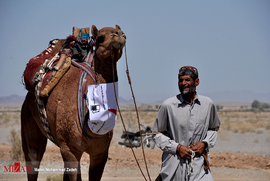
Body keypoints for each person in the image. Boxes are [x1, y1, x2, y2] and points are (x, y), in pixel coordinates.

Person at [152, 66, 220, 181]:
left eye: (187, 80)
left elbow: (213, 129)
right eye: (180, 80)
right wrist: (177, 147)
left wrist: (204, 143)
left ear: (197, 82)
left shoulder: (207, 104)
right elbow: (156, 134)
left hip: (200, 168)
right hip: (174, 166)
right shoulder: (168, 105)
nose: (183, 83)